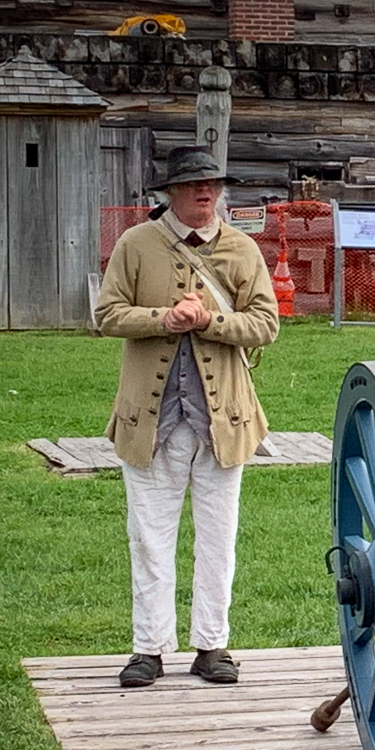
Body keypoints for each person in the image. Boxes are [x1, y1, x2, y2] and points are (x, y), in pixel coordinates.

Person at [96, 146, 280, 688]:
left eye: (213, 184)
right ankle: (148, 649)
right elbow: (106, 315)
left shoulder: (243, 250)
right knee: (150, 538)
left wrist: (208, 322)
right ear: (170, 193)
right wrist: (164, 318)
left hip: (224, 422)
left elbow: (266, 325)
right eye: (195, 184)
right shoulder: (135, 245)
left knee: (218, 540)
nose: (206, 192)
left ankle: (212, 646)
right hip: (149, 422)